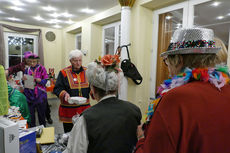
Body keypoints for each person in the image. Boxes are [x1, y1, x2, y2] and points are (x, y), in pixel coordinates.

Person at [135, 28, 230, 153]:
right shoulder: (225, 87)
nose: (168, 67)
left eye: (167, 61)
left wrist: (141, 138)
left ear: (179, 60)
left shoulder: (176, 98)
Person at [64, 54, 142, 153]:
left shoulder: (86, 119)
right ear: (116, 87)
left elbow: (75, 150)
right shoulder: (135, 110)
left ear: (93, 89)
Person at [53, 49, 91, 133]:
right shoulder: (63, 73)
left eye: (80, 60)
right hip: (69, 111)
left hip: (84, 110)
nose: (78, 63)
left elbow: (91, 87)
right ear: (70, 61)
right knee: (69, 134)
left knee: (84, 133)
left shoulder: (87, 71)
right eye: (75, 60)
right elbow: (57, 89)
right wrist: (64, 94)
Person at [23, 53, 49, 127]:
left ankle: (43, 128)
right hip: (29, 95)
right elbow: (24, 83)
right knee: (31, 115)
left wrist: (40, 81)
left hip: (40, 95)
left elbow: (45, 80)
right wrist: (23, 80)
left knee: (41, 114)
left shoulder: (42, 68)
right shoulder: (27, 69)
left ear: (37, 61)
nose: (32, 63)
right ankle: (32, 130)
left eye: (34, 61)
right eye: (30, 61)